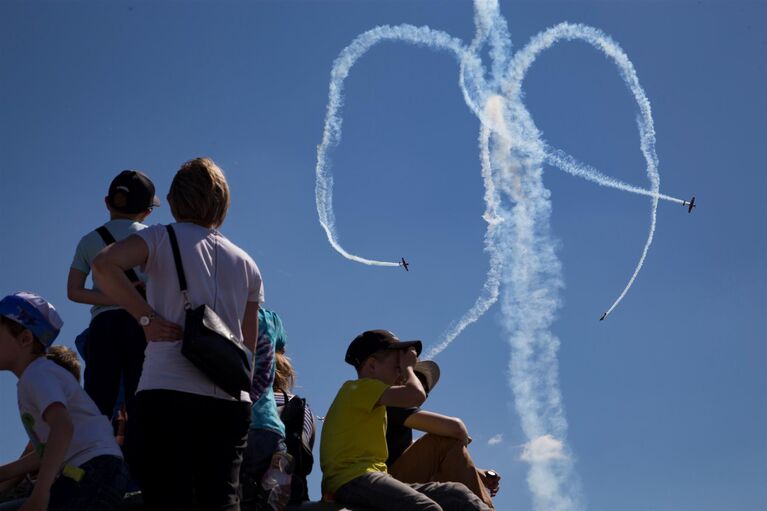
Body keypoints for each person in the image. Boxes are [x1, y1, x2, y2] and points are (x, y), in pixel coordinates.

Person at [92, 157, 263, 511]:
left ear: (174, 200)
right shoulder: (247, 263)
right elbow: (247, 345)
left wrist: (145, 318)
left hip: (167, 388)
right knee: (222, 502)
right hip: (230, 402)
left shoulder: (160, 237)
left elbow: (103, 265)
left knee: (168, 499)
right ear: (222, 202)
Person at [320, 329, 492, 511]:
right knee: (427, 508)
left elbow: (411, 445)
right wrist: (409, 367)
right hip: (351, 479)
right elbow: (416, 396)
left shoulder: (373, 403)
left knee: (457, 494)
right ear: (371, 366)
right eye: (397, 368)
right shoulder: (357, 388)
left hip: (374, 476)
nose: (401, 376)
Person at [0, 292, 128, 511]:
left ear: (25, 339)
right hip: (98, 468)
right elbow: (51, 450)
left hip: (89, 471)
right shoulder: (39, 375)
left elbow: (63, 428)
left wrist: (40, 494)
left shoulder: (36, 375)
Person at [67, 170, 159, 431]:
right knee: (140, 397)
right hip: (140, 322)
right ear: (148, 212)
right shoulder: (152, 237)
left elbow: (73, 291)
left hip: (103, 325)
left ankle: (92, 455)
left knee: (98, 401)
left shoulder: (89, 240)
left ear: (107, 203)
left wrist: (110, 297)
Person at [386, 361, 500, 508]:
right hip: (377, 481)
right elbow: (457, 428)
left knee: (443, 451)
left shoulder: (399, 417)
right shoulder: (390, 405)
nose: (421, 393)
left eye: (425, 390)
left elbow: (416, 452)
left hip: (388, 476)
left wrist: (476, 472)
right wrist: (459, 440)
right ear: (400, 381)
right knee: (443, 441)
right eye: (416, 383)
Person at [240, 308, 287, 511]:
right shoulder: (271, 318)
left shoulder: (223, 309)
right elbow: (280, 349)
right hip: (270, 426)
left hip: (234, 422)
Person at [273, 337, 316, 504]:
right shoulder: (301, 407)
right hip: (290, 492)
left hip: (247, 488)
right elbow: (307, 448)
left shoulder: (249, 402)